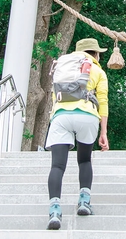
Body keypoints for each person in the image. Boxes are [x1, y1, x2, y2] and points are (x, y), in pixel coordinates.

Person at [45, 37, 110, 230]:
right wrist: (103, 132)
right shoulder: (97, 70)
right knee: (84, 160)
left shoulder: (62, 66)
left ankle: (55, 210)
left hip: (61, 115)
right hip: (87, 115)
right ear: (95, 53)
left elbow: (53, 96)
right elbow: (103, 101)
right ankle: (84, 202)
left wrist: (54, 118)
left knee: (57, 166)